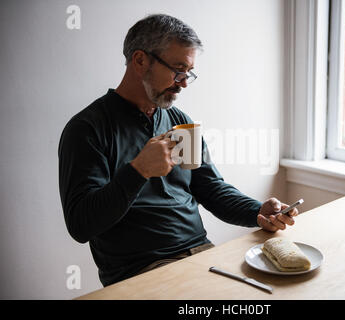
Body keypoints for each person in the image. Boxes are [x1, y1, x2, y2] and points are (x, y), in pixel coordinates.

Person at [58, 13, 298, 287]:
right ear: (140, 61)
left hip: (203, 255)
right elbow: (81, 225)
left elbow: (211, 189)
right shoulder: (87, 129)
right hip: (141, 272)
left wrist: (258, 212)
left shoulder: (180, 122)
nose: (184, 82)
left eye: (188, 73)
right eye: (177, 70)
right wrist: (138, 170)